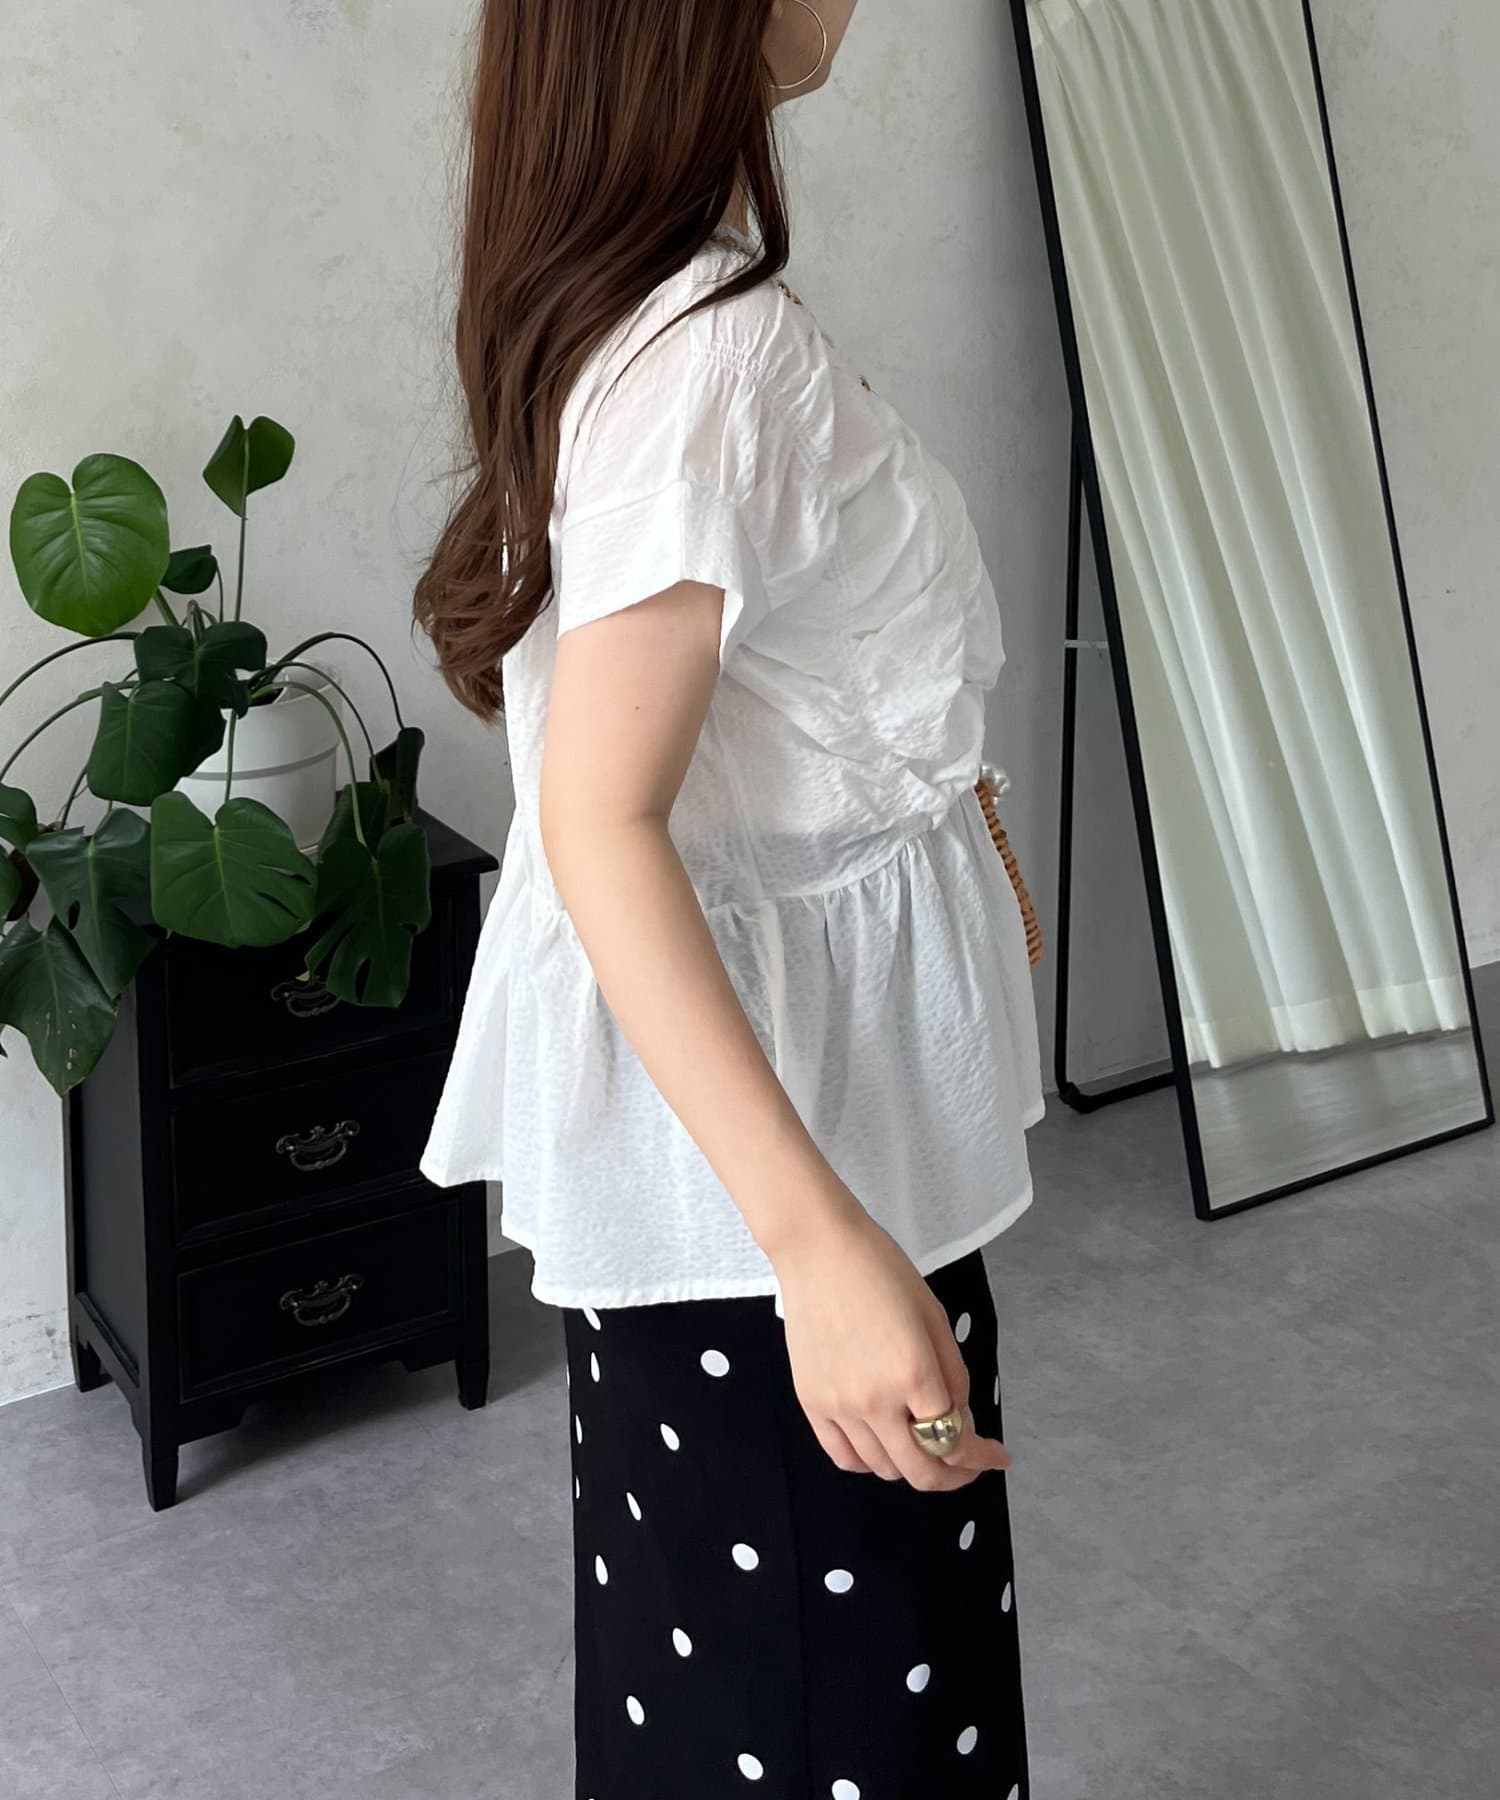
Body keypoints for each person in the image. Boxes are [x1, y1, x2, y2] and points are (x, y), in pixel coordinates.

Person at [414, 2, 1044, 1793]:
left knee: (730, 1692)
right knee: (845, 1711)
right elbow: (601, 824)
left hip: (762, 1158)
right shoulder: (712, 355)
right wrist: (821, 1251)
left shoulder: (634, 311)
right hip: (782, 1187)